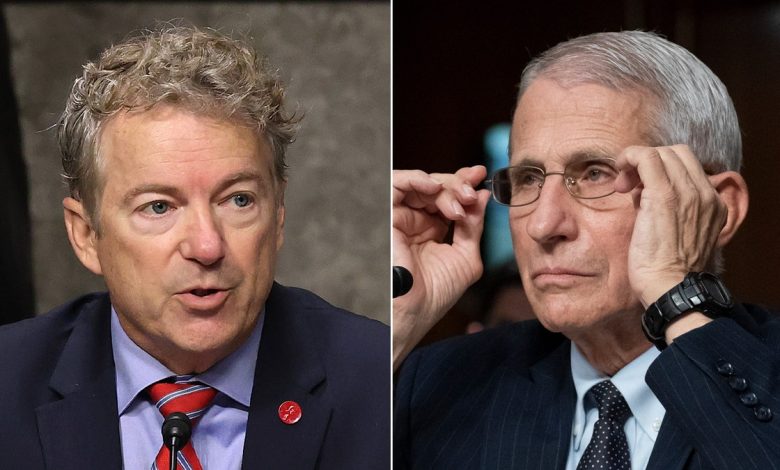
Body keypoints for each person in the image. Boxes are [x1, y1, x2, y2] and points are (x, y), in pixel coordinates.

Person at [0, 25, 388, 469]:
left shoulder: (380, 378)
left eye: (238, 200)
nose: (207, 246)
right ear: (86, 235)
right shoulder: (6, 383)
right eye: (159, 207)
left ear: (278, 214)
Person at [394, 31, 780, 469]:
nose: (543, 225)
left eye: (596, 173)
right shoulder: (443, 380)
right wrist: (396, 330)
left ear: (721, 209)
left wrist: (675, 294)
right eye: (528, 178)